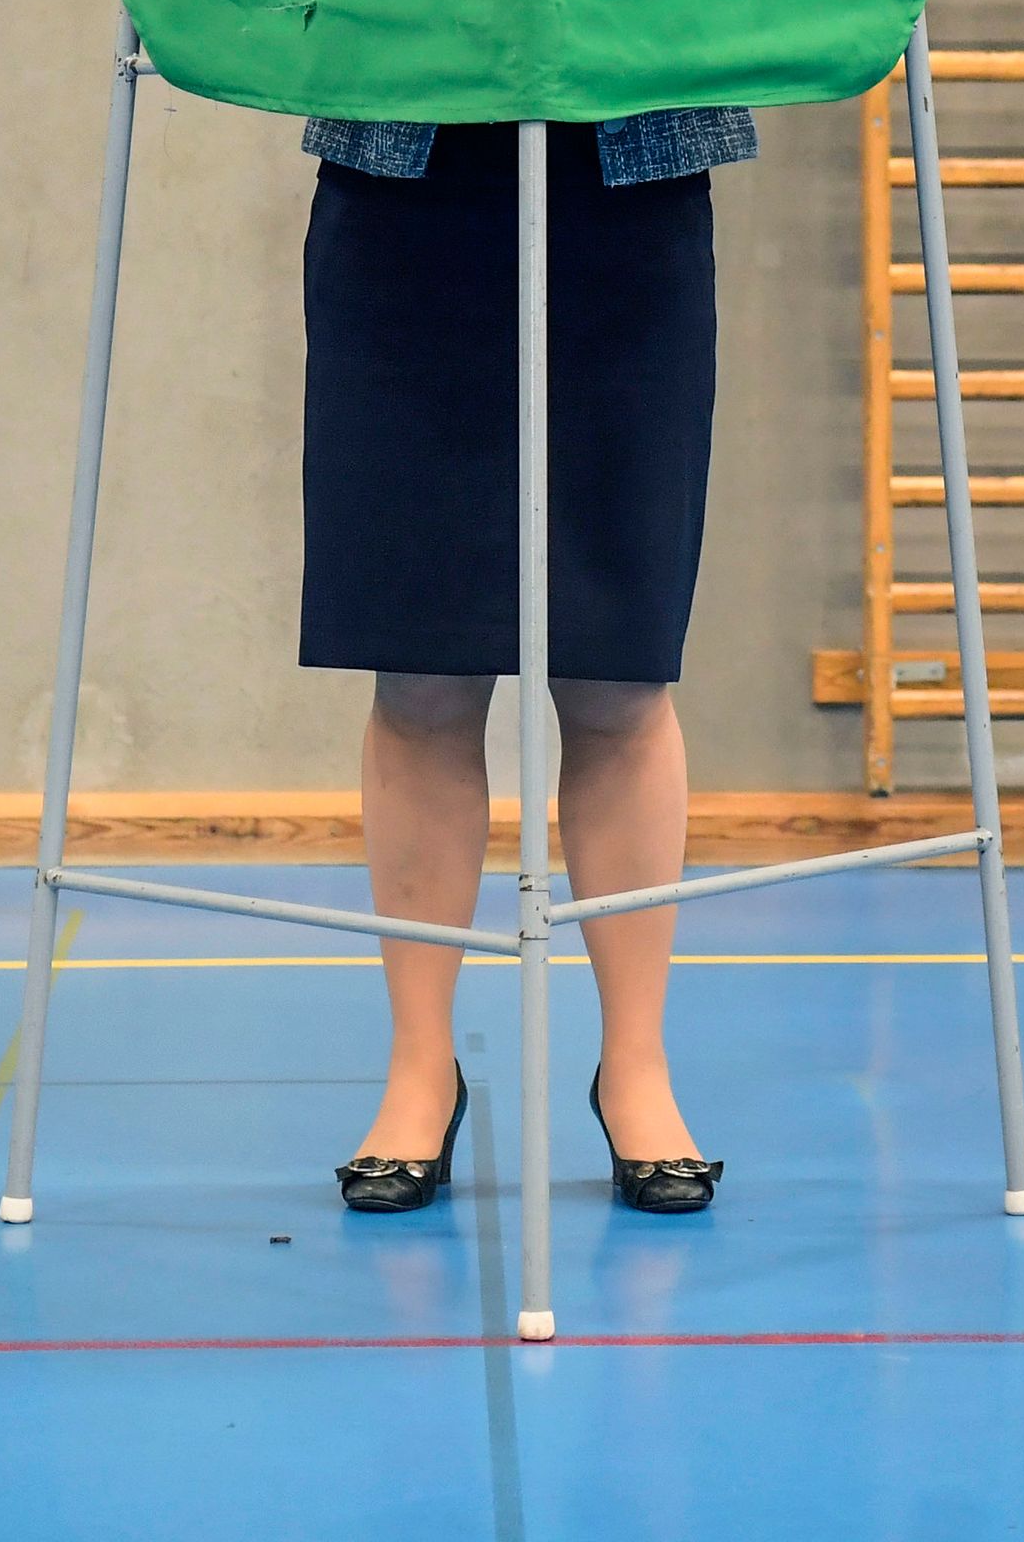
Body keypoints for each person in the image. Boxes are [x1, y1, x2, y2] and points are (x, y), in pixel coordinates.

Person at [299, 105, 751, 1217]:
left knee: (618, 674)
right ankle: (419, 1070)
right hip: (404, 171)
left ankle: (636, 1067)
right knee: (420, 673)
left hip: (629, 170)